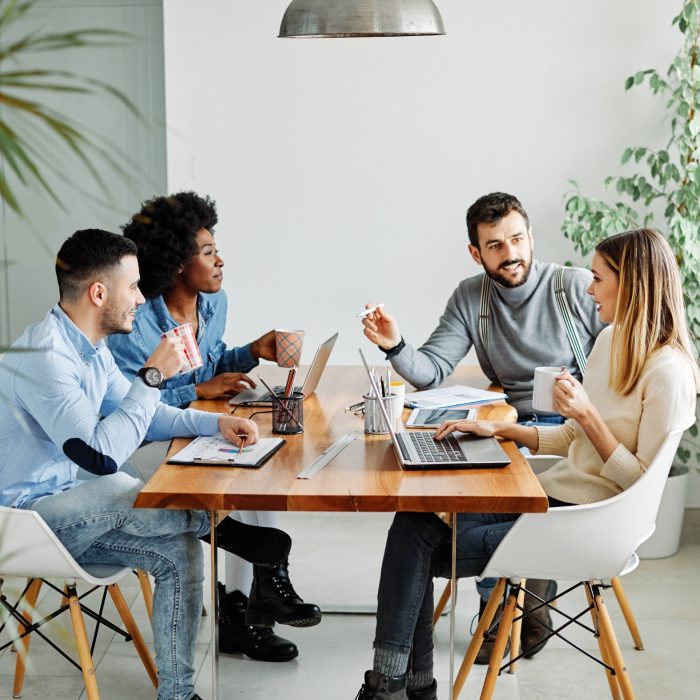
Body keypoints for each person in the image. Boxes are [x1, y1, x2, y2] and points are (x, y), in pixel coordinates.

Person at [355, 228, 698, 699]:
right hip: (550, 498)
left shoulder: (670, 374)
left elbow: (638, 484)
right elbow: (573, 437)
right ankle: (404, 685)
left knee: (412, 555)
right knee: (413, 518)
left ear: (632, 283)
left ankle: (393, 686)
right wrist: (500, 430)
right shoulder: (612, 341)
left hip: (587, 523)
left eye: (597, 278)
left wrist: (587, 414)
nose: (588, 288)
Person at [0, 228, 300, 700]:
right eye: (134, 287)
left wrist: (211, 426)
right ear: (99, 293)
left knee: (179, 553)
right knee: (123, 482)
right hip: (23, 521)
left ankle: (177, 694)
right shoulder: (46, 356)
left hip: (70, 507)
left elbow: (141, 416)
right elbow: (98, 456)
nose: (141, 298)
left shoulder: (91, 347)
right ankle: (224, 530)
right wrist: (153, 375)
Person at [362, 192, 606, 661]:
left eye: (517, 239)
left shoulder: (573, 287)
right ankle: (512, 601)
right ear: (477, 253)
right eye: (495, 245)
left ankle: (510, 610)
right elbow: (432, 367)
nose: (510, 252)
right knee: (433, 494)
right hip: (507, 424)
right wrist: (395, 345)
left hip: (572, 428)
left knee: (488, 494)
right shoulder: (472, 297)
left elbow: (617, 366)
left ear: (531, 237)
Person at [107, 191, 320, 663]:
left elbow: (209, 365)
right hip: (141, 441)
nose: (220, 260)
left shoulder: (213, 303)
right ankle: (247, 612)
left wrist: (252, 352)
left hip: (192, 425)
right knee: (240, 481)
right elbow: (129, 402)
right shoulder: (137, 322)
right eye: (207, 252)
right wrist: (197, 393)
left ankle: (243, 611)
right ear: (177, 264)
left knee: (257, 471)